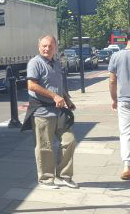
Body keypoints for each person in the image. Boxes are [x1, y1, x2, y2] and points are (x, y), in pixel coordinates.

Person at [21, 35, 78, 189]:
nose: (46, 49)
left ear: (55, 48)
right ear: (39, 47)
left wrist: (67, 99)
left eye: (50, 46)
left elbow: (59, 85)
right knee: (45, 147)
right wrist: (54, 96)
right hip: (42, 111)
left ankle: (64, 175)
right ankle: (46, 179)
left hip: (59, 111)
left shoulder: (57, 63)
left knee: (69, 141)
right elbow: (31, 85)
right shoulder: (35, 63)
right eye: (43, 46)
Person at [108, 41, 130, 180]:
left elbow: (111, 81)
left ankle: (127, 166)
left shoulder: (116, 56)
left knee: (126, 132)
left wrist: (114, 99)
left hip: (124, 100)